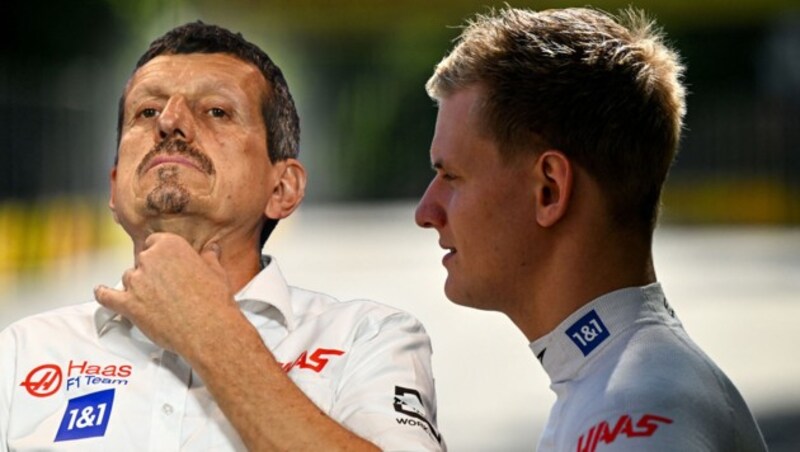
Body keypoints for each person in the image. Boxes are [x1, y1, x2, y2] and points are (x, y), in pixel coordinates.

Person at [0, 22, 444, 451]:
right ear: (114, 188)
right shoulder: (21, 353)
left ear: (282, 188)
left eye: (217, 111)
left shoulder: (369, 339)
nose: (170, 121)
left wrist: (210, 330)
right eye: (147, 111)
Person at [415, 7, 767, 451]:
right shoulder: (621, 385)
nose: (426, 211)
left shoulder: (633, 409)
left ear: (549, 190)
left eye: (451, 176)